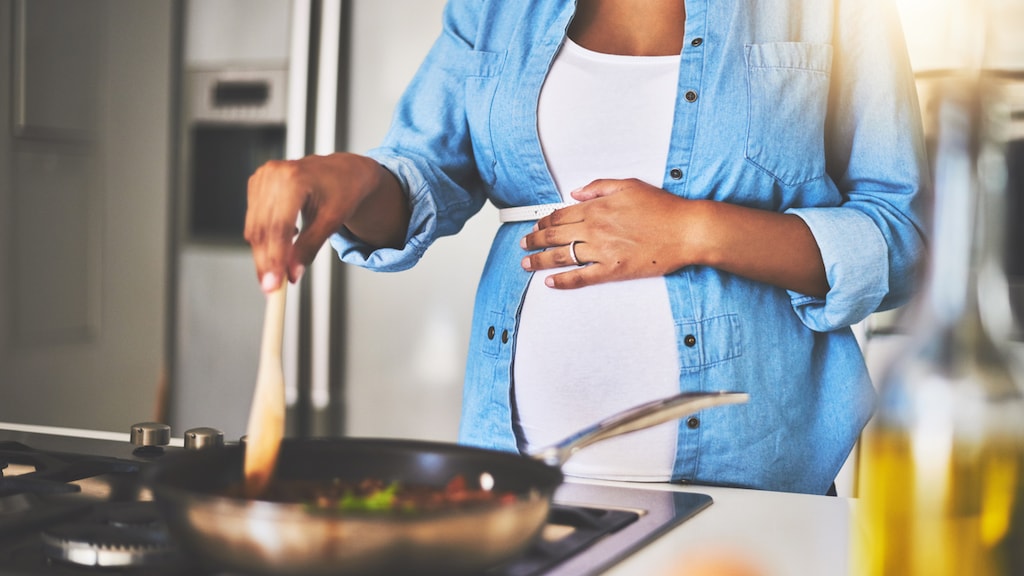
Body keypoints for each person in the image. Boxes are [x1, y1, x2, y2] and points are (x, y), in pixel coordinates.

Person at [245, 0, 928, 495]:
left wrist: (693, 231)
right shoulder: (492, 10)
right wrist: (353, 179)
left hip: (749, 492)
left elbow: (903, 237)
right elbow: (420, 175)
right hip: (518, 489)